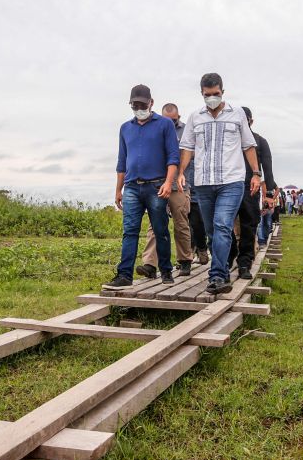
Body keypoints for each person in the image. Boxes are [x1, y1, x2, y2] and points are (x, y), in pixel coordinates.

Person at [178, 72, 260, 294]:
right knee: (213, 231)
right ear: (202, 94)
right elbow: (187, 147)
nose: (211, 98)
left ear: (222, 91)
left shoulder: (237, 115)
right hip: (204, 183)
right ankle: (223, 265)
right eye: (207, 95)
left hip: (231, 182)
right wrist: (181, 172)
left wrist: (256, 173)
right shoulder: (196, 117)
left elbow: (248, 146)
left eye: (215, 94)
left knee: (223, 225)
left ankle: (217, 277)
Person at [104, 84, 180, 290]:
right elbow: (122, 161)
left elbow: (173, 157)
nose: (139, 108)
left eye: (142, 104)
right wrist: (118, 189)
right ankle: (124, 275)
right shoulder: (125, 128)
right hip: (131, 187)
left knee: (160, 229)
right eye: (134, 105)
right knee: (129, 231)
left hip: (156, 185)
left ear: (151, 103)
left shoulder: (165, 125)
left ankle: (165, 271)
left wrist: (167, 182)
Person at [137, 103, 193, 278]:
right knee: (155, 224)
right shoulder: (155, 128)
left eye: (174, 120)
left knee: (181, 223)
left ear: (179, 117)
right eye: (167, 120)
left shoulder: (186, 131)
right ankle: (150, 264)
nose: (170, 123)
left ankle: (184, 260)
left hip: (179, 185)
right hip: (158, 183)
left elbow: (190, 154)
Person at [228, 106, 277, 279]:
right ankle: (231, 252)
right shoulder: (229, 139)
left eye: (245, 119)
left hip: (250, 189)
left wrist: (269, 194)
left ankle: (245, 262)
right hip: (227, 187)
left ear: (250, 121)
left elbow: (268, 169)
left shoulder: (260, 141)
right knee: (223, 224)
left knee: (249, 226)